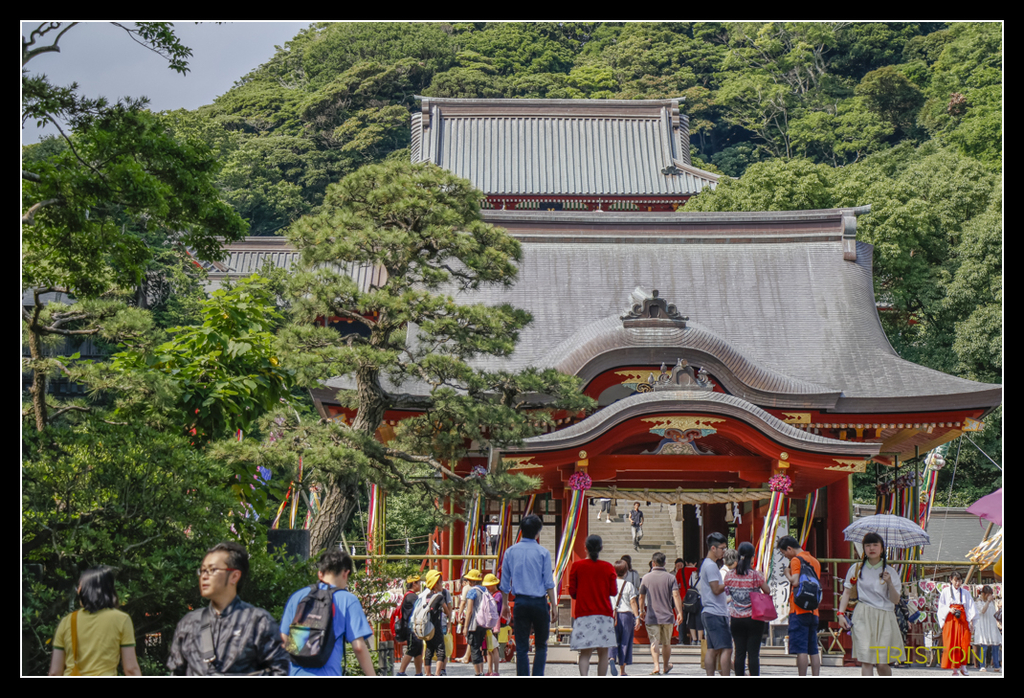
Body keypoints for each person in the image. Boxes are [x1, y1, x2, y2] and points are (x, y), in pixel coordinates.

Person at [167, 541, 289, 675]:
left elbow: (280, 671)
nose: (204, 576)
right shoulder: (189, 623)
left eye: (212, 570)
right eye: (202, 571)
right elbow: (176, 672)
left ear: (234, 576)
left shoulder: (258, 622)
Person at [279, 548, 376, 676]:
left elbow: (283, 639)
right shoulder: (348, 600)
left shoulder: (298, 596)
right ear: (345, 573)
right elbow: (358, 647)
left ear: (320, 574)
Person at [49, 566, 141, 676]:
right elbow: (130, 669)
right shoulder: (121, 619)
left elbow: (55, 672)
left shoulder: (67, 621)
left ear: (83, 591)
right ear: (109, 590)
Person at [836, 533, 903, 676]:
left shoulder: (890, 572)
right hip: (863, 614)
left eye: (875, 545)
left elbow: (895, 600)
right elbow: (846, 593)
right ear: (863, 548)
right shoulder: (856, 569)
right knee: (866, 659)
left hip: (885, 615)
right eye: (867, 545)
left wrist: (889, 582)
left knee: (882, 661)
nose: (871, 548)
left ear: (882, 549)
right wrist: (840, 614)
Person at [499, 513, 558, 676]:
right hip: (539, 602)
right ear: (538, 532)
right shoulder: (543, 553)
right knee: (541, 645)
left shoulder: (510, 552)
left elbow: (504, 583)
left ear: (521, 531)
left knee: (522, 647)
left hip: (521, 602)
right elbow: (548, 582)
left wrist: (505, 604)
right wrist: (554, 604)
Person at [568, 534, 618, 676]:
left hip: (584, 614)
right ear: (601, 548)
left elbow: (573, 592)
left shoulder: (577, 566)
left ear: (585, 548)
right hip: (604, 613)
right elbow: (613, 592)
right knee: (603, 653)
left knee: (585, 653)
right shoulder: (608, 567)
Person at [724, 541, 770, 676]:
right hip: (754, 617)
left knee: (739, 652)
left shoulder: (729, 575)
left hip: (736, 617)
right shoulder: (755, 575)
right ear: (752, 557)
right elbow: (767, 590)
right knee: (753, 653)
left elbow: (725, 591)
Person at [778, 535, 821, 676]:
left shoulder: (796, 560)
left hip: (799, 610)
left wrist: (786, 573)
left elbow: (795, 581)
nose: (785, 556)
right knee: (813, 649)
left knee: (801, 649)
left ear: (789, 548)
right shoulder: (815, 561)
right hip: (813, 610)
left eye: (784, 553)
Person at [638, 551, 682, 675]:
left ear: (653, 563)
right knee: (666, 642)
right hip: (667, 616)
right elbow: (676, 595)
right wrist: (679, 612)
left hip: (652, 616)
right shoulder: (670, 577)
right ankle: (666, 665)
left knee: (654, 641)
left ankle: (656, 666)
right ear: (665, 563)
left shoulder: (646, 578)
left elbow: (641, 596)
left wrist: (642, 611)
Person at [699, 532, 732, 676]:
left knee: (712, 649)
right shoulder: (711, 566)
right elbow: (716, 589)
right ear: (713, 548)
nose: (724, 552)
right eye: (722, 548)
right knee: (726, 648)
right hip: (715, 612)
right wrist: (730, 582)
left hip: (710, 611)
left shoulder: (707, 564)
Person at [937, 571, 976, 676]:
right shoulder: (945, 591)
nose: (957, 583)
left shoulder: (966, 593)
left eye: (959, 580)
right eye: (955, 580)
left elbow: (970, 607)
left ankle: (963, 666)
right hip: (950, 619)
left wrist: (971, 621)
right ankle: (954, 669)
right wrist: (949, 609)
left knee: (964, 642)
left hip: (962, 619)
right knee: (951, 643)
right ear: (951, 579)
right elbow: (941, 606)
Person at [611, 559, 640, 676]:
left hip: (612, 615)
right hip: (626, 615)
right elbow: (633, 602)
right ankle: (622, 670)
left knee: (612, 640)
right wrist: (637, 617)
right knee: (625, 642)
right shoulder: (629, 585)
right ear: (626, 572)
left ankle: (611, 659)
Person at [422, 570, 452, 677]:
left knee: (429, 651)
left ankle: (428, 674)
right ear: (435, 584)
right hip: (436, 627)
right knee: (440, 651)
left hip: (427, 628)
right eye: (440, 582)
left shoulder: (426, 596)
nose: (442, 584)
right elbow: (447, 611)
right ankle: (438, 673)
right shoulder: (439, 597)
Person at [461, 569, 489, 676]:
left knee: (474, 648)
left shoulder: (472, 591)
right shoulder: (485, 590)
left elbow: (469, 611)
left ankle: (478, 673)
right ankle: (481, 671)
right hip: (484, 623)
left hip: (474, 624)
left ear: (472, 581)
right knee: (480, 647)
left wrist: (465, 626)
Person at [396, 574, 424, 676]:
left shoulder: (409, 595)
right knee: (412, 649)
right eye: (419, 583)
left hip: (413, 627)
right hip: (412, 628)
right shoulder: (412, 597)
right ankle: (401, 672)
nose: (420, 585)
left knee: (417, 651)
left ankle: (419, 672)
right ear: (414, 583)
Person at [973, 585, 1001, 673]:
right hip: (983, 626)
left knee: (996, 645)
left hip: (991, 625)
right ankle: (982, 665)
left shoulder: (992, 602)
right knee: (983, 646)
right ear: (983, 594)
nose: (989, 596)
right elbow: (982, 611)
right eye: (987, 594)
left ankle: (996, 665)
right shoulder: (978, 602)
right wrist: (988, 602)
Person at [482, 573, 502, 676]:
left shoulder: (498, 594)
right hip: (488, 623)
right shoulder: (490, 594)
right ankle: (489, 670)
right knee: (488, 648)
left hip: (494, 623)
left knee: (494, 647)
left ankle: (496, 670)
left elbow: (493, 604)